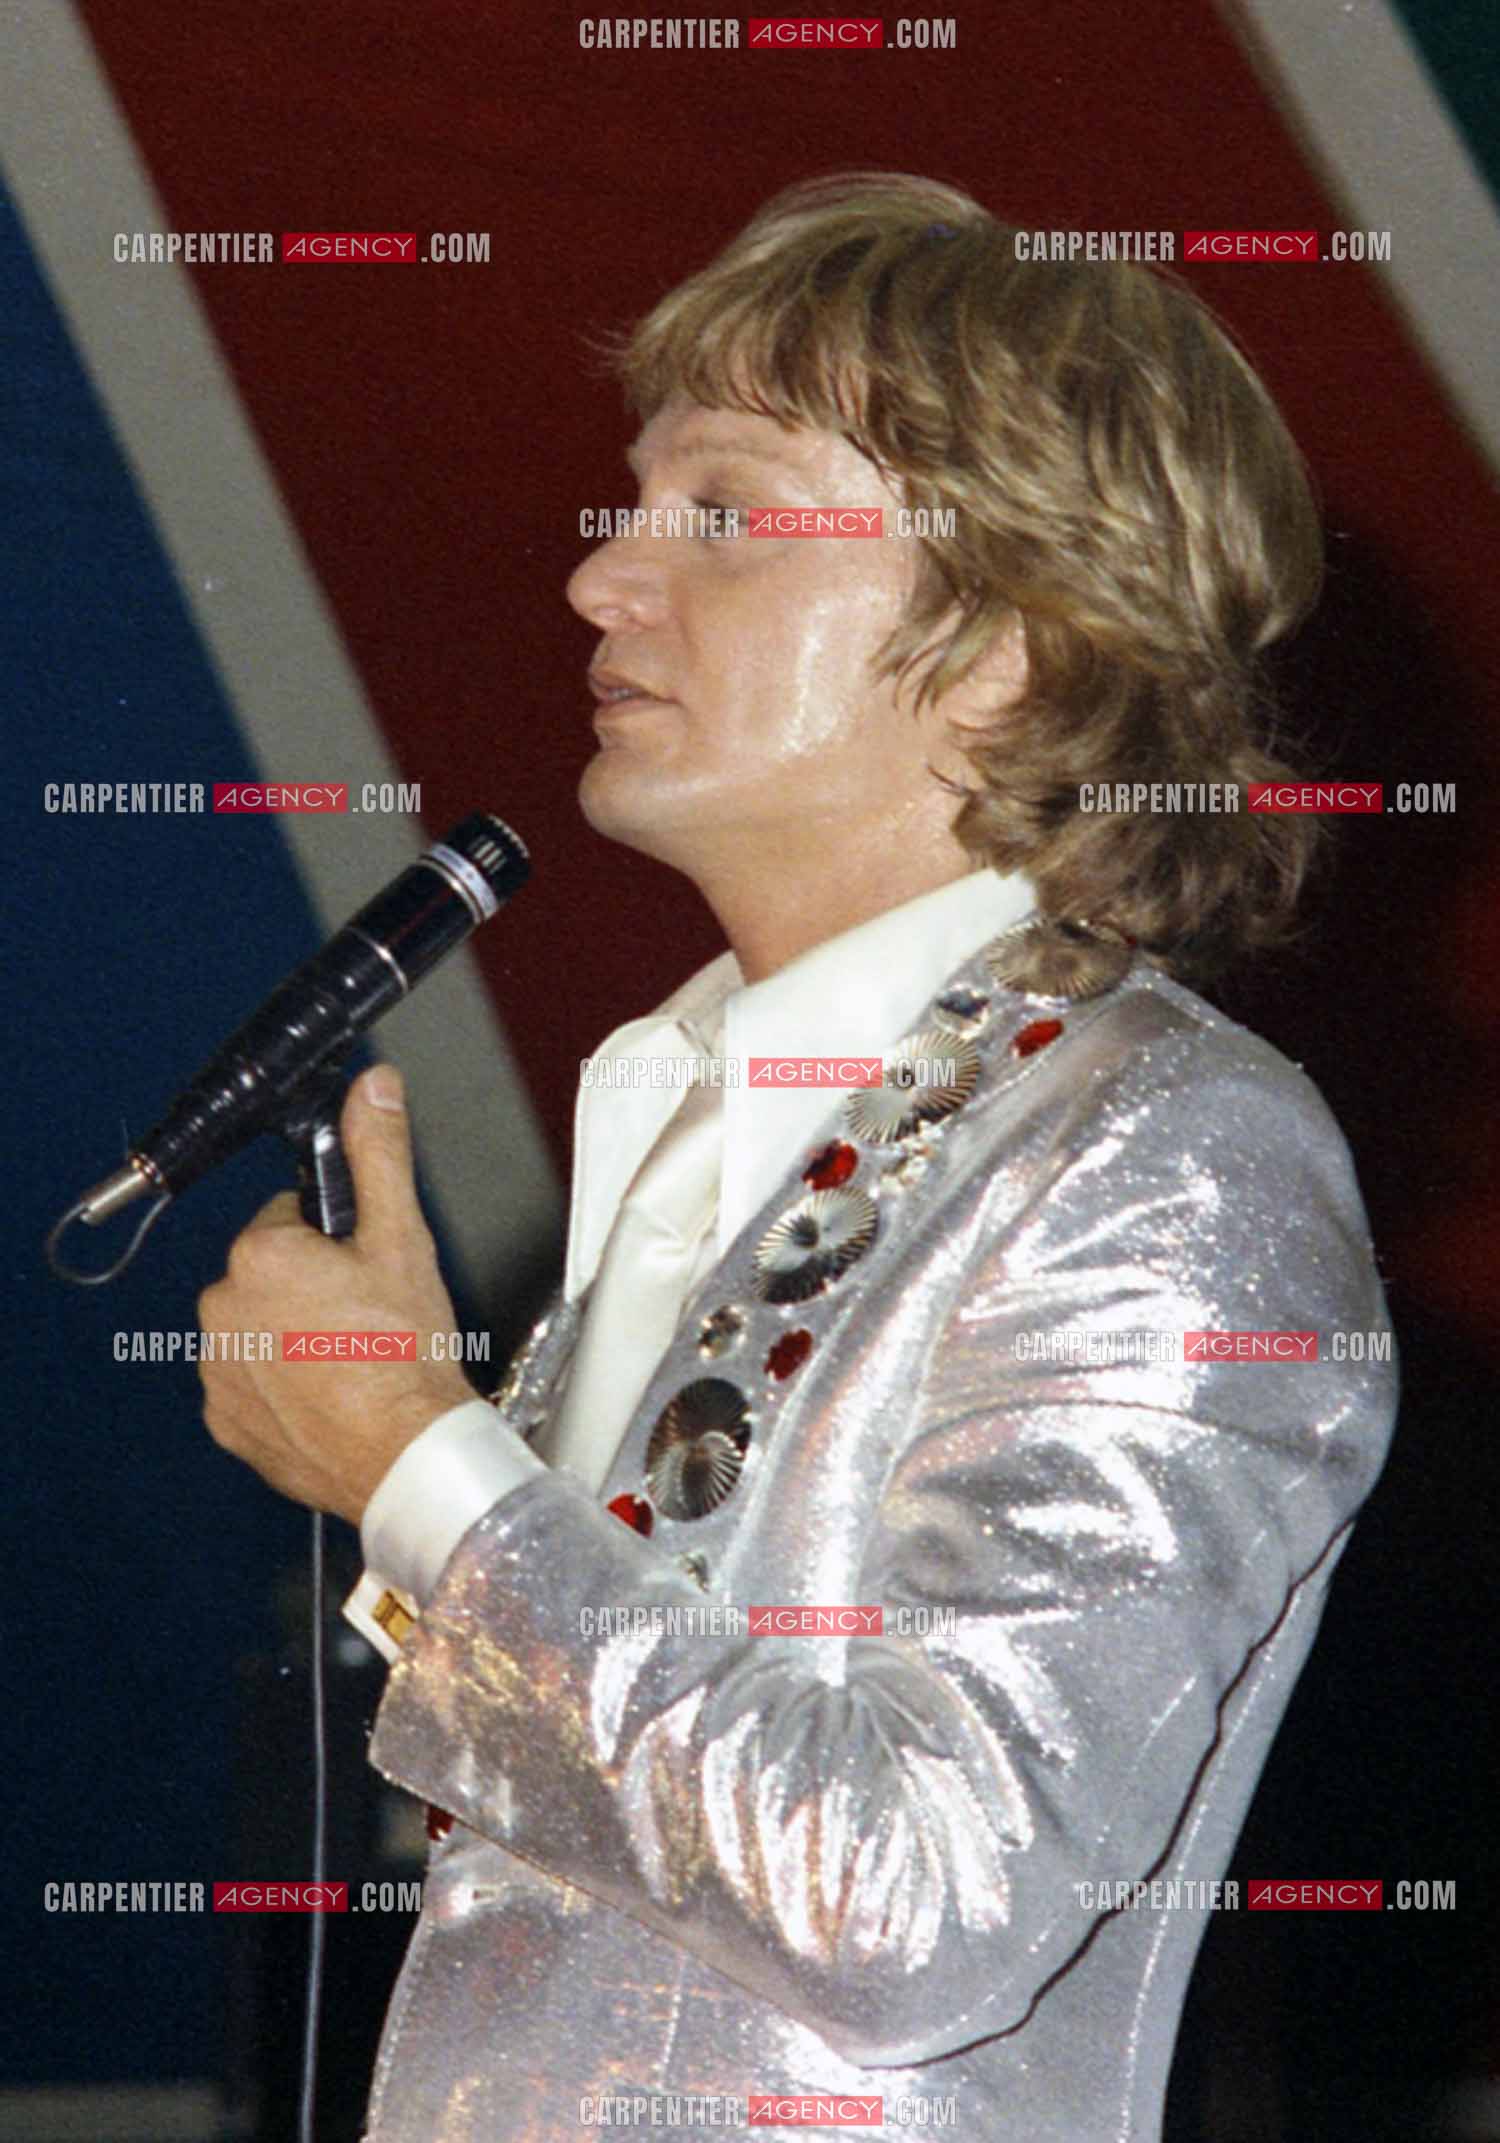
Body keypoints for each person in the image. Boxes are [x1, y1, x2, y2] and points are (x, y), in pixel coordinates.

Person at [198, 173, 1398, 2140]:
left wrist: (419, 1468)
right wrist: (429, 1494)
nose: (604, 577)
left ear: (1014, 631)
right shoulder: (716, 1106)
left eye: (731, 515)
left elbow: (910, 1896)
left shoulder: (1176, 1153)